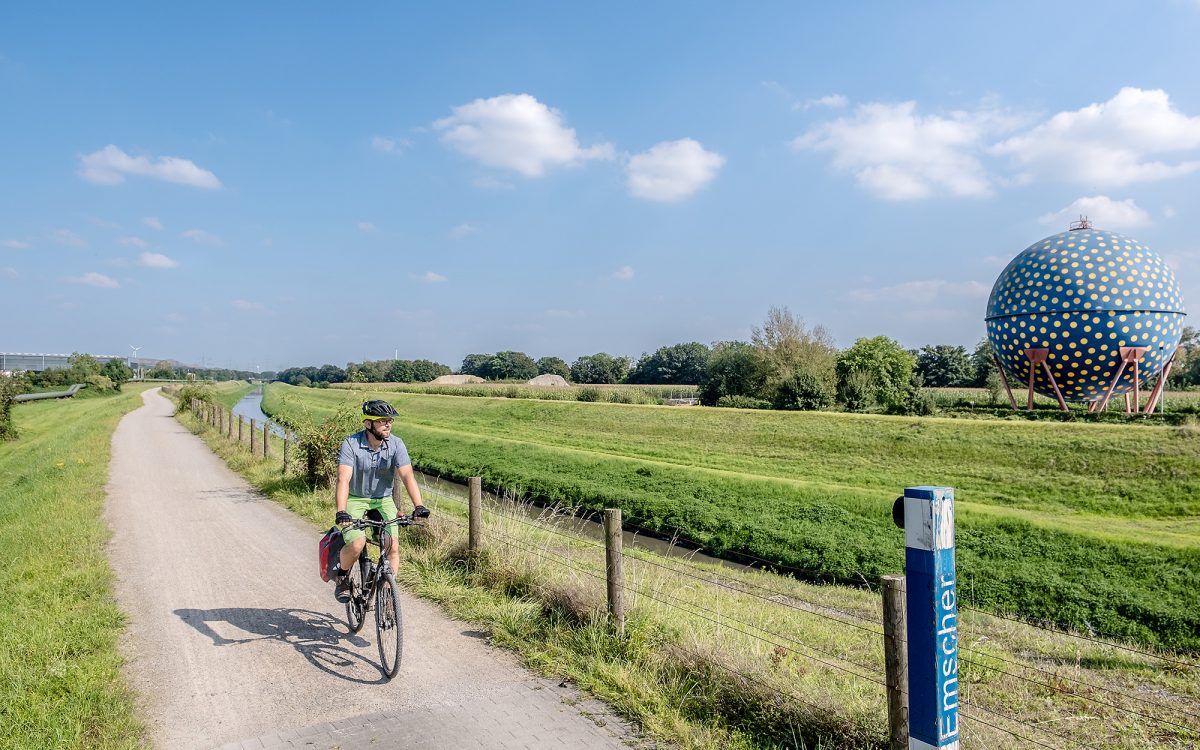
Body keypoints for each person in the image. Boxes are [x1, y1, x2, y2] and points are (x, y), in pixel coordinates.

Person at [331, 399, 430, 603]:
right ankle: (342, 575)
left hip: (383, 500)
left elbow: (407, 476)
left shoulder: (396, 444)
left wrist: (418, 505)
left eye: (390, 420)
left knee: (392, 547)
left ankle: (386, 596)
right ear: (368, 424)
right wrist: (341, 510)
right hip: (356, 498)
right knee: (357, 543)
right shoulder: (351, 444)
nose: (388, 424)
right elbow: (343, 479)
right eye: (382, 421)